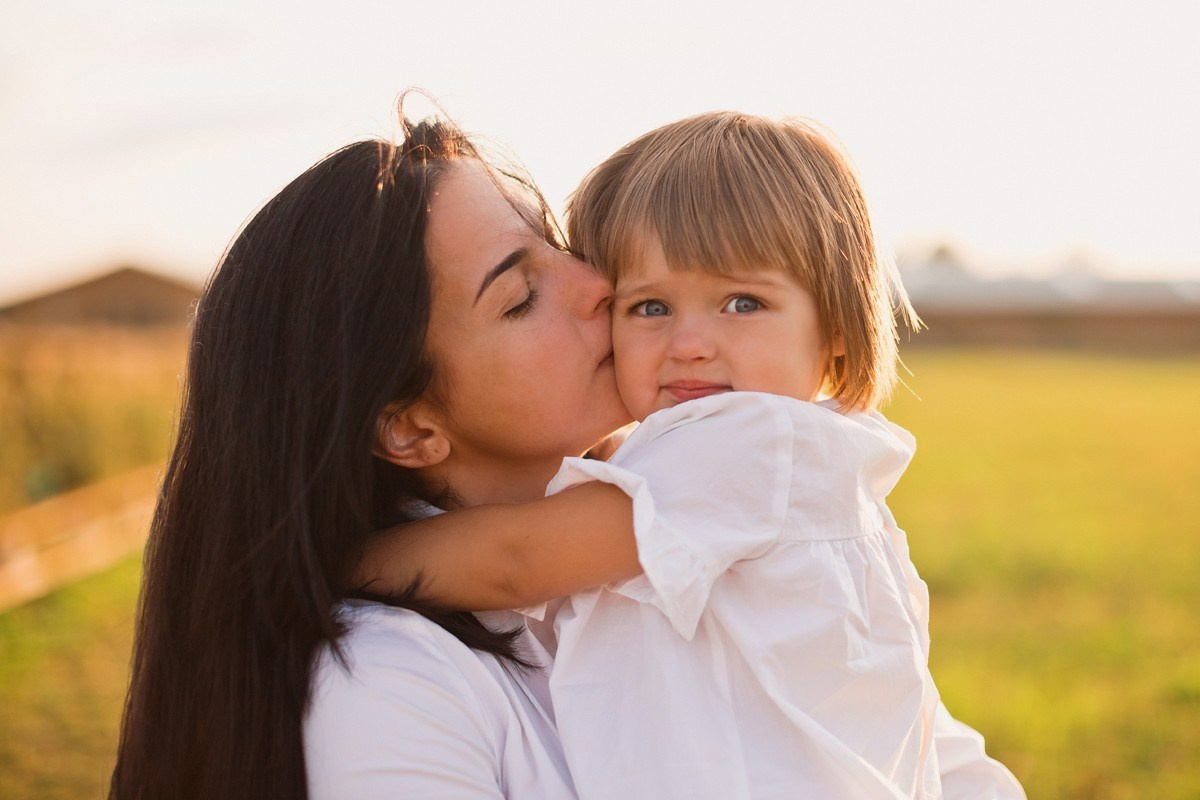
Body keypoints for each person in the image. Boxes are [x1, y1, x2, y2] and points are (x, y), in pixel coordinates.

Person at [358, 112, 1026, 798]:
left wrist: (343, 562)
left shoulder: (752, 442)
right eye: (650, 307)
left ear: (836, 328)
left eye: (743, 302)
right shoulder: (783, 463)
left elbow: (516, 561)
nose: (690, 343)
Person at [110, 113, 632, 799]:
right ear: (409, 430)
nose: (598, 282)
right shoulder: (386, 690)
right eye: (520, 297)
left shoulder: (597, 564)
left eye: (557, 241)